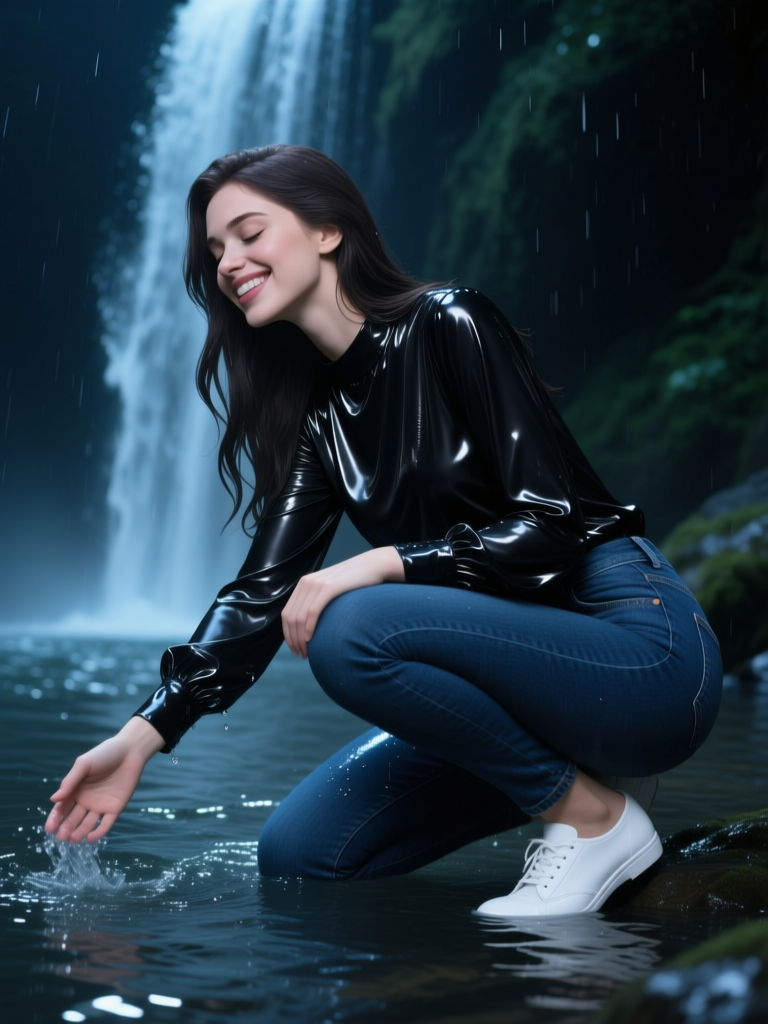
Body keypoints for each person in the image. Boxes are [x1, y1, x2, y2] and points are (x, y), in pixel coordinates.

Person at [45, 145, 722, 917]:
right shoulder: (321, 421)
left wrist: (380, 564)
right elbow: (261, 594)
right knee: (302, 854)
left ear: (328, 229)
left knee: (347, 625)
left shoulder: (450, 322)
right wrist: (144, 733)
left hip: (639, 648)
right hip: (527, 688)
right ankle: (585, 783)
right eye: (215, 250)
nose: (230, 262)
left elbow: (555, 522)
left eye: (249, 233)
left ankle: (594, 820)